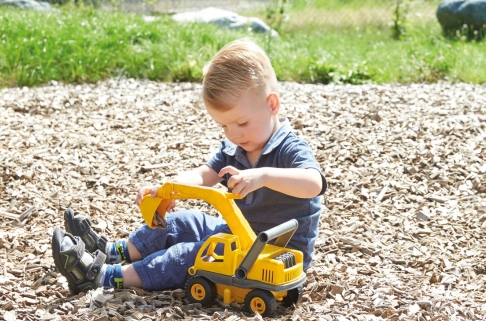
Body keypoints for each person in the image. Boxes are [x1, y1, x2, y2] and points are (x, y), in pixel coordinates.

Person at [51, 38, 327, 295]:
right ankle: (114, 251)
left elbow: (313, 183)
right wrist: (170, 189)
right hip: (237, 237)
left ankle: (105, 277)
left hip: (274, 254)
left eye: (242, 123)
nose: (234, 134)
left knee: (188, 255)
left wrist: (264, 176)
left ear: (272, 104)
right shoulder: (236, 148)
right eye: (224, 125)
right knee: (179, 222)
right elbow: (203, 175)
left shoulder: (289, 149)